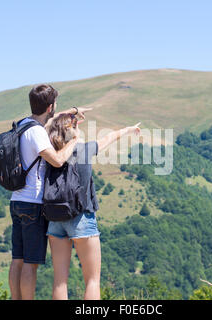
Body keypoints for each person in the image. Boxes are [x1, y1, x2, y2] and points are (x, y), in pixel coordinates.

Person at [45, 113, 141, 300]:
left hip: (55, 218)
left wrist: (63, 119)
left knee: (59, 281)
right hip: (82, 217)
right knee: (92, 280)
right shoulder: (84, 149)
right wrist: (129, 129)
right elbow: (109, 137)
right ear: (73, 132)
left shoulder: (50, 153)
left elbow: (47, 125)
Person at [8, 84, 91, 300]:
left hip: (16, 201)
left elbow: (50, 120)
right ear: (51, 106)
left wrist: (72, 112)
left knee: (17, 259)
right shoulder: (37, 133)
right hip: (33, 203)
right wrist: (74, 141)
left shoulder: (23, 125)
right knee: (30, 263)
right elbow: (57, 161)